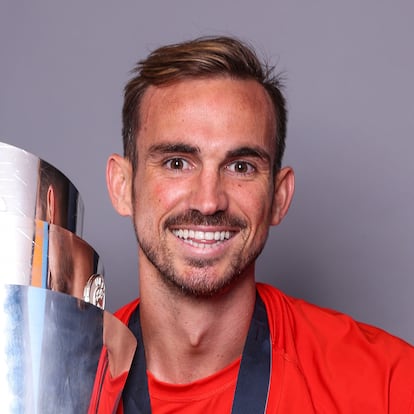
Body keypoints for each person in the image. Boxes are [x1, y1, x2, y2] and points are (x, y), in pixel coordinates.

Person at [96, 36, 414, 413]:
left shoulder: (389, 382)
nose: (209, 201)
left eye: (241, 167)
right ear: (121, 187)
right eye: (177, 163)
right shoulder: (61, 382)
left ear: (279, 197)